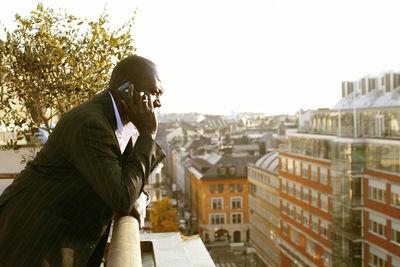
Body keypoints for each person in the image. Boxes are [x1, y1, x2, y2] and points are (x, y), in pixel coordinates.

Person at [0, 55, 166, 267]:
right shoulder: (92, 124)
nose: (159, 103)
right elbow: (122, 197)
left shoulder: (117, 124)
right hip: (34, 238)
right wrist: (148, 135)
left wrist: (141, 195)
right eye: (154, 93)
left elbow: (129, 179)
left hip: (54, 237)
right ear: (128, 89)